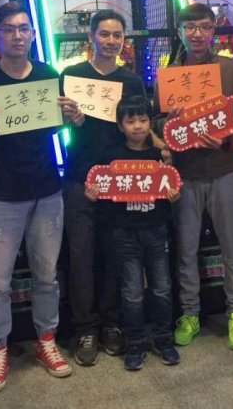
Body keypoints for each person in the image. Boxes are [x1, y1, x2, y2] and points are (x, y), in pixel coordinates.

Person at [0, 2, 83, 394]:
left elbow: (57, 125)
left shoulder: (48, 75)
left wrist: (73, 117)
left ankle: (46, 341)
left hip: (47, 189)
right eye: (10, 29)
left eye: (24, 28)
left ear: (32, 34)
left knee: (46, 275)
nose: (18, 35)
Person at [59, 9, 170, 367]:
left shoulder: (132, 81)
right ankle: (84, 327)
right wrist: (69, 119)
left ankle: (111, 323)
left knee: (114, 255)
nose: (111, 41)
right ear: (90, 37)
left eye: (117, 35)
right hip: (80, 178)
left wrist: (163, 151)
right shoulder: (71, 76)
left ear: (124, 39)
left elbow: (143, 127)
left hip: (123, 182)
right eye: (104, 34)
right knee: (80, 256)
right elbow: (53, 122)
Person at [153, 2, 233, 351]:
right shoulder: (169, 75)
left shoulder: (230, 69)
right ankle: (190, 313)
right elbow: (156, 124)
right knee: (186, 249)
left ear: (213, 31)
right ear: (180, 32)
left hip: (223, 170)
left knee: (232, 246)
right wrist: (171, 122)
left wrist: (225, 136)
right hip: (185, 173)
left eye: (205, 27)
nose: (197, 34)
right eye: (190, 27)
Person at [84, 95, 181, 371]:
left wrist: (173, 196)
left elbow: (170, 190)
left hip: (156, 229)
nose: (137, 126)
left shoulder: (159, 156)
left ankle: (163, 339)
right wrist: (92, 195)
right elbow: (98, 190)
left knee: (162, 288)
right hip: (124, 233)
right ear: (120, 126)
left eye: (143, 120)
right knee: (133, 293)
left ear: (150, 123)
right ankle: (135, 342)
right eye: (130, 121)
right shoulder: (111, 156)